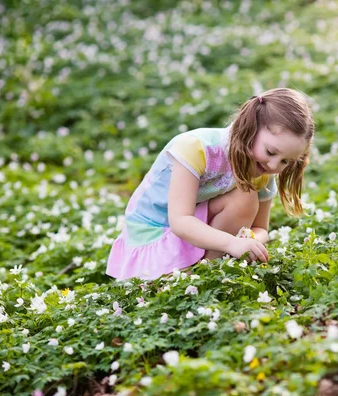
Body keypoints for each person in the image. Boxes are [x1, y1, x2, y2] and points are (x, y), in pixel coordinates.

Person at [106, 88, 315, 280]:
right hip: (154, 230)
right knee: (244, 193)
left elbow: (260, 228)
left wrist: (250, 241)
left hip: (198, 230)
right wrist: (232, 243)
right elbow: (180, 221)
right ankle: (185, 276)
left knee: (245, 195)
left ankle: (206, 272)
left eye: (285, 161)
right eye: (271, 152)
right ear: (250, 128)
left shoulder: (264, 170)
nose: (273, 165)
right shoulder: (197, 148)